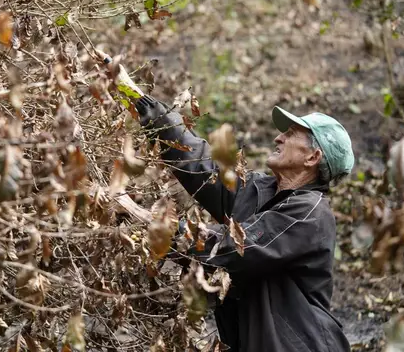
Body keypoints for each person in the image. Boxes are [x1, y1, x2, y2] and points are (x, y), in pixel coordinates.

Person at [134, 95, 353, 352]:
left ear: (312, 157)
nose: (278, 138)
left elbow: (236, 247)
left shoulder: (311, 214)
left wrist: (161, 226)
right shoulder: (263, 192)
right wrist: (156, 116)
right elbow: (204, 168)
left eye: (291, 134)